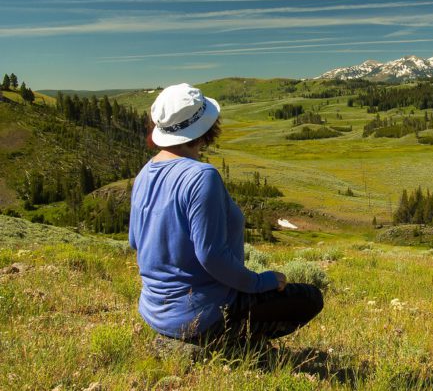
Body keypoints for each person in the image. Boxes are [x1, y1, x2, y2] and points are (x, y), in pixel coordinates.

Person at [129, 83, 323, 349]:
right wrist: (260, 281)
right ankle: (231, 342)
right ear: (205, 128)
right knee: (309, 298)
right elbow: (212, 256)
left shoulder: (144, 173)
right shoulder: (200, 176)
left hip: (153, 312)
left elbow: (134, 241)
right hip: (201, 313)